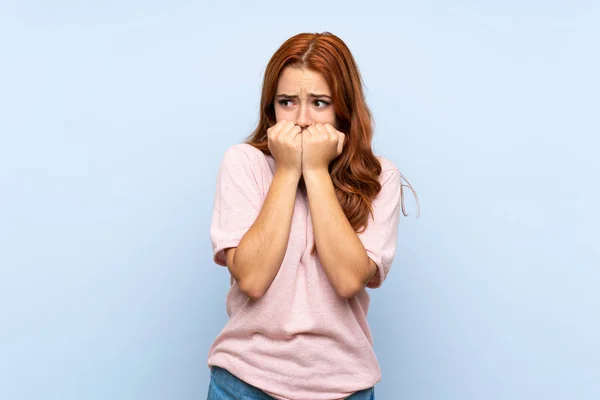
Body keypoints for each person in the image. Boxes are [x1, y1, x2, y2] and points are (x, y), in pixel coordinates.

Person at [206, 31, 417, 400]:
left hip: (343, 387)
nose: (302, 119)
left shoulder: (379, 177)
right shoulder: (245, 163)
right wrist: (288, 170)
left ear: (343, 110)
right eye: (287, 102)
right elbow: (252, 280)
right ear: (271, 109)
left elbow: (350, 280)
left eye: (319, 103)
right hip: (243, 383)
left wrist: (316, 171)